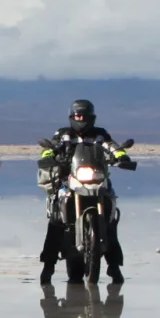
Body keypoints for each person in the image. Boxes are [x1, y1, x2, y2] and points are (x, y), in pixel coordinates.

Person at [36, 99, 136, 285]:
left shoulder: (100, 135)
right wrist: (48, 156)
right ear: (72, 117)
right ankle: (48, 267)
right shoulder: (64, 134)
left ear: (92, 118)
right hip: (70, 178)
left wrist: (122, 157)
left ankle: (114, 266)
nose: (80, 119)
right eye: (77, 116)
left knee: (110, 220)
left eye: (84, 116)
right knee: (56, 221)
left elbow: (111, 146)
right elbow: (52, 147)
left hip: (96, 177)